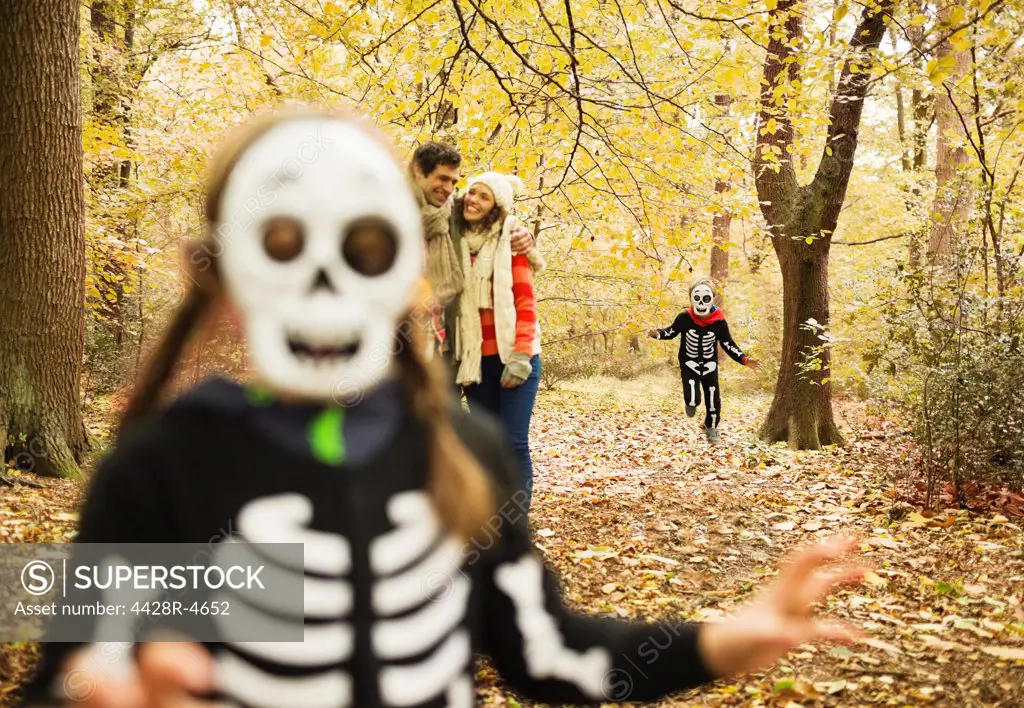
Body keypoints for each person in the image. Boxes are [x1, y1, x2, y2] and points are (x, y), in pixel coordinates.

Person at [26, 111, 865, 708]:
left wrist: (724, 641)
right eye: (281, 244)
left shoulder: (462, 455)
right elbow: (73, 672)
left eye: (361, 247)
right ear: (224, 276)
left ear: (406, 273)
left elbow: (547, 654)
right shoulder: (160, 468)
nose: (323, 282)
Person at [450, 171, 542, 508]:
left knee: (513, 442)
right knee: (485, 444)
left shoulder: (511, 242)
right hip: (476, 363)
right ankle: (491, 514)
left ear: (496, 208)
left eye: (483, 197)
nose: (473, 200)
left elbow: (525, 303)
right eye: (471, 192)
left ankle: (516, 519)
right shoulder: (454, 241)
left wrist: (521, 355)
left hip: (515, 358)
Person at [408, 142, 543, 359]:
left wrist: (522, 235)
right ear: (418, 171)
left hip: (447, 347)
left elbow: (492, 222)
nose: (449, 188)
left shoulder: (451, 214)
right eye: (442, 178)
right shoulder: (391, 213)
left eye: (453, 182)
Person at [648, 277, 760, 444]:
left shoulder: (719, 322)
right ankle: (691, 402)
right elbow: (671, 331)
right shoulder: (684, 318)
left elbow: (728, 344)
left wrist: (744, 359)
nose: (701, 302)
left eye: (706, 298)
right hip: (689, 363)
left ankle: (712, 427)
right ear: (691, 298)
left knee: (713, 398)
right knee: (693, 399)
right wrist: (658, 333)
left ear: (712, 298)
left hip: (709, 365)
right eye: (697, 297)